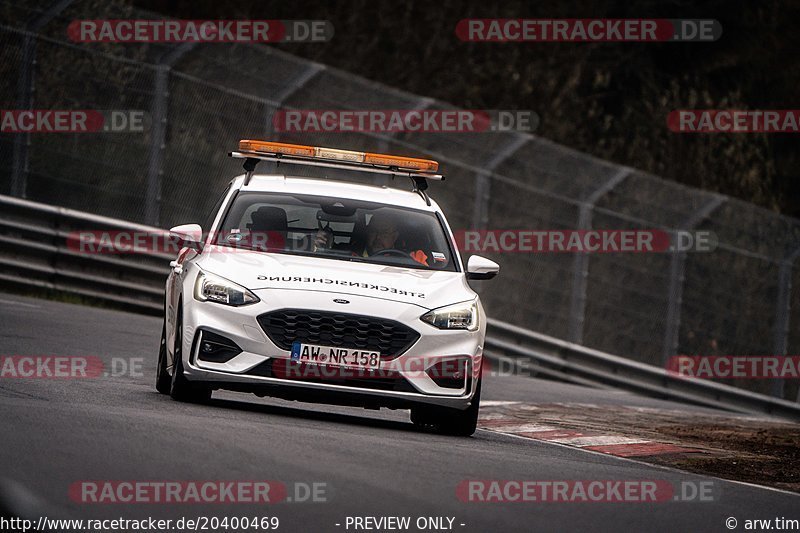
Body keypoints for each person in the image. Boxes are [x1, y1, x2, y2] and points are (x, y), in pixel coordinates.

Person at [314, 211, 429, 266]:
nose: (378, 237)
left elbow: (430, 279)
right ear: (367, 232)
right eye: (374, 231)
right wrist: (318, 246)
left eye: (384, 233)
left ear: (395, 236)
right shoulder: (341, 252)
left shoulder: (414, 257)